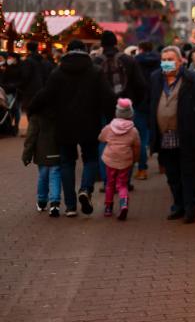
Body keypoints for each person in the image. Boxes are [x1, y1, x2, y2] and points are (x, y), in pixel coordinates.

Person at [29, 40, 114, 218]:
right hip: (90, 124)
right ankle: (85, 189)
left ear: (67, 52)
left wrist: (32, 109)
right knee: (91, 159)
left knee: (67, 163)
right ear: (85, 51)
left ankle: (70, 206)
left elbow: (45, 94)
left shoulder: (58, 73)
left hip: (64, 125)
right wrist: (111, 119)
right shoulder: (95, 72)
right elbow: (108, 97)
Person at [147, 46, 195, 223]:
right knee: (172, 175)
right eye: (164, 59)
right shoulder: (156, 78)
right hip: (165, 136)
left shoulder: (194, 79)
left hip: (188, 135)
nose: (167, 63)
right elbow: (151, 103)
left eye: (171, 59)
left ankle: (190, 208)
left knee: (189, 174)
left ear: (180, 61)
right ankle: (178, 206)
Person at [95, 31, 146, 190]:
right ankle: (124, 182)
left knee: (105, 142)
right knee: (128, 143)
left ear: (102, 44)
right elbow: (141, 85)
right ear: (116, 42)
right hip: (126, 108)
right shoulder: (128, 60)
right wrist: (134, 103)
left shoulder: (95, 62)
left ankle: (107, 182)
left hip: (104, 107)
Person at [99, 98, 141, 220]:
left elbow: (101, 138)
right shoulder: (133, 131)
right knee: (122, 184)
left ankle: (108, 207)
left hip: (110, 160)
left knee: (109, 184)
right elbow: (137, 146)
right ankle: (123, 204)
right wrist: (135, 159)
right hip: (125, 161)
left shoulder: (109, 127)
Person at [22, 99, 62, 217]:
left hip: (42, 153)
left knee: (43, 177)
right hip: (56, 150)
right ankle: (55, 203)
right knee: (55, 176)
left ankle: (42, 201)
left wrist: (27, 154)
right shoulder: (59, 113)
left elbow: (31, 137)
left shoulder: (36, 116)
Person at [133, 42, 161, 179]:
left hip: (140, 103)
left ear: (140, 49)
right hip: (158, 102)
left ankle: (142, 169)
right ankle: (163, 165)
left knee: (141, 138)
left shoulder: (135, 61)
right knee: (162, 133)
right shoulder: (161, 60)